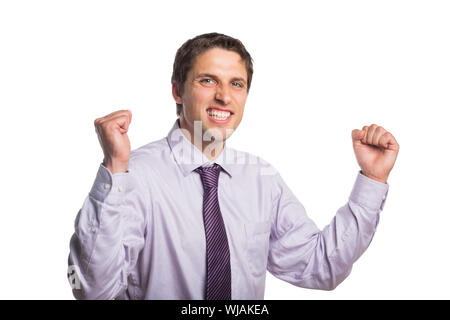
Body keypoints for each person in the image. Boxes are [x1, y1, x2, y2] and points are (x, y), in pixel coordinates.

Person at [67, 32, 399, 300]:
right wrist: (113, 166)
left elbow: (319, 267)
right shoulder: (131, 175)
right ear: (177, 91)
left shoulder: (261, 179)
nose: (225, 97)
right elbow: (92, 291)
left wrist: (372, 178)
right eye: (208, 81)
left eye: (236, 84)